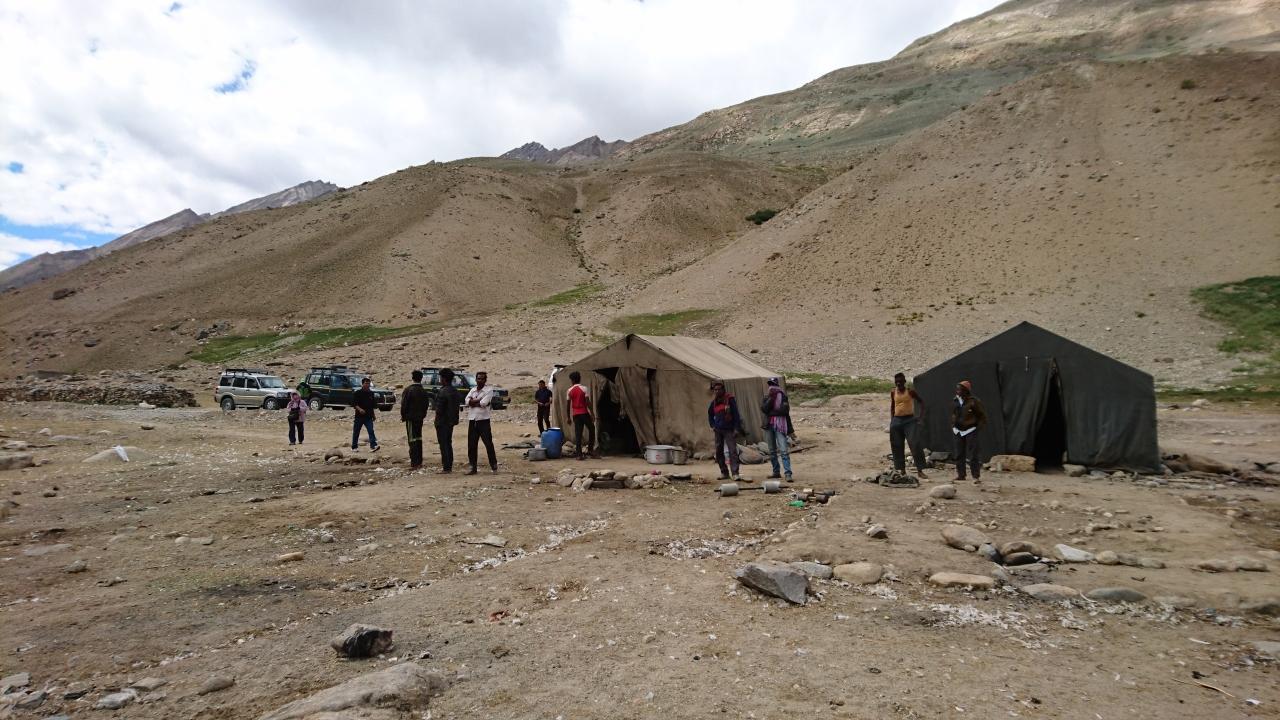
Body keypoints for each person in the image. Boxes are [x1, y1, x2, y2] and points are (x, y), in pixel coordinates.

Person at [889, 372, 928, 478]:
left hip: (909, 420)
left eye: (900, 381)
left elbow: (921, 402)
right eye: (897, 382)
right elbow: (892, 406)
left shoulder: (910, 392)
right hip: (897, 421)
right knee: (897, 445)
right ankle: (901, 470)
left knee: (915, 444)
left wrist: (920, 418)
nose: (898, 383)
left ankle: (920, 470)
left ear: (904, 382)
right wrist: (892, 420)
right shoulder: (893, 392)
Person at [951, 380, 987, 481]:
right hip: (958, 430)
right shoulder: (955, 400)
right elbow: (953, 414)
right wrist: (953, 426)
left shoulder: (973, 401)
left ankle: (975, 476)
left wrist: (978, 427)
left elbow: (982, 416)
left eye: (960, 389)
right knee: (959, 453)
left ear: (966, 391)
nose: (957, 391)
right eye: (957, 389)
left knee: (973, 454)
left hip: (970, 430)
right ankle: (961, 475)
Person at [708, 380, 743, 481]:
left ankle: (735, 473)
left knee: (732, 451)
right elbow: (710, 414)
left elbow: (736, 415)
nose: (717, 391)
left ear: (723, 390)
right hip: (718, 430)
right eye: (715, 390)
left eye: (719, 389)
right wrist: (713, 425)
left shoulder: (730, 399)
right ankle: (724, 472)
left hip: (729, 429)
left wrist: (736, 428)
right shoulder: (714, 402)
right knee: (719, 451)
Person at [464, 370, 498, 474]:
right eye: (478, 378)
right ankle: (472, 467)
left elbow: (484, 403)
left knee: (488, 444)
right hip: (473, 420)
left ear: (485, 380)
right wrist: (476, 401)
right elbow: (466, 401)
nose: (480, 380)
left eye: (482, 379)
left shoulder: (489, 390)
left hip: (483, 421)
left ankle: (493, 465)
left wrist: (472, 402)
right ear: (476, 379)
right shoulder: (473, 389)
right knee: (472, 445)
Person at [760, 378, 793, 482]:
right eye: (770, 385)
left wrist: (771, 413)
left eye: (773, 385)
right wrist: (771, 399)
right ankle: (776, 472)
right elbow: (764, 409)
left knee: (784, 450)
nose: (771, 387)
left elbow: (784, 411)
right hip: (769, 425)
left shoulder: (783, 397)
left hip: (780, 426)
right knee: (772, 451)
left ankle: (788, 473)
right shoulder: (767, 397)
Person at [400, 370, 430, 469]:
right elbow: (426, 405)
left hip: (410, 418)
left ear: (412, 378)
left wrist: (403, 416)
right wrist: (423, 415)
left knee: (412, 439)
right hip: (420, 418)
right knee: (419, 438)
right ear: (421, 378)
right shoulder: (423, 391)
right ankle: (419, 461)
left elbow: (404, 405)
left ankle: (414, 463)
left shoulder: (408, 390)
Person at [434, 368, 461, 473]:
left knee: (443, 444)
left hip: (442, 422)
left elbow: (439, 409)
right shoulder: (454, 391)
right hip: (451, 422)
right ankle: (449, 465)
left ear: (444, 378)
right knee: (448, 443)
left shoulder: (443, 391)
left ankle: (446, 467)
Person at [566, 371, 595, 460]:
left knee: (578, 433)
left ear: (572, 380)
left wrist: (568, 417)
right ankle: (590, 450)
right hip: (584, 413)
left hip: (575, 414)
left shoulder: (569, 390)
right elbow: (587, 402)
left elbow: (568, 405)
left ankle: (579, 454)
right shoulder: (584, 388)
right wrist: (592, 413)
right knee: (592, 429)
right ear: (579, 379)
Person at [351, 377, 380, 452]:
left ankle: (373, 446)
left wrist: (373, 415)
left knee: (371, 431)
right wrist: (360, 409)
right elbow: (354, 403)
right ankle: (354, 447)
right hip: (359, 416)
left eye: (368, 383)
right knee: (356, 431)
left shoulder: (371, 393)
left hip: (368, 416)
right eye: (366, 383)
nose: (367, 385)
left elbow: (372, 406)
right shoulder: (357, 393)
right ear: (362, 384)